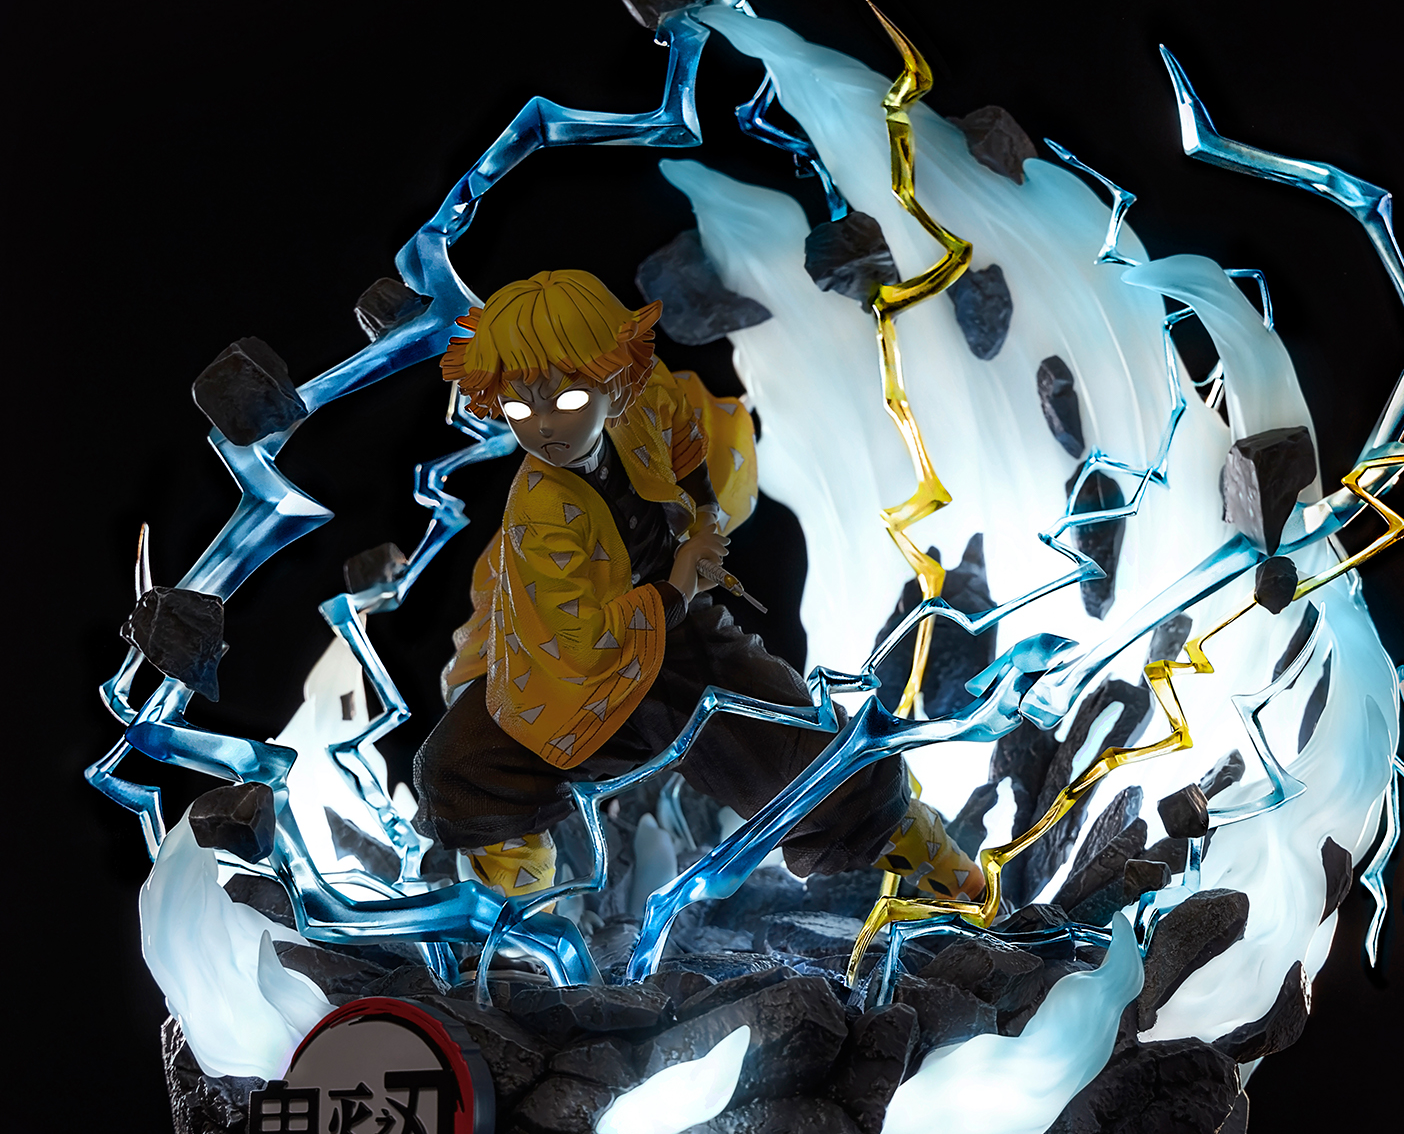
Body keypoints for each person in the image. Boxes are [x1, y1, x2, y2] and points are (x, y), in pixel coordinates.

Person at [409, 269, 982, 908]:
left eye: (565, 401)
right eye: (519, 410)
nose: (543, 426)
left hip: (681, 644)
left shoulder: (642, 396)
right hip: (571, 682)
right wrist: (682, 578)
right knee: (461, 771)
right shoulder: (541, 505)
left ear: (613, 380)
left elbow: (681, 438)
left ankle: (956, 876)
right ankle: (520, 919)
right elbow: (582, 640)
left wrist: (703, 516)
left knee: (817, 763)